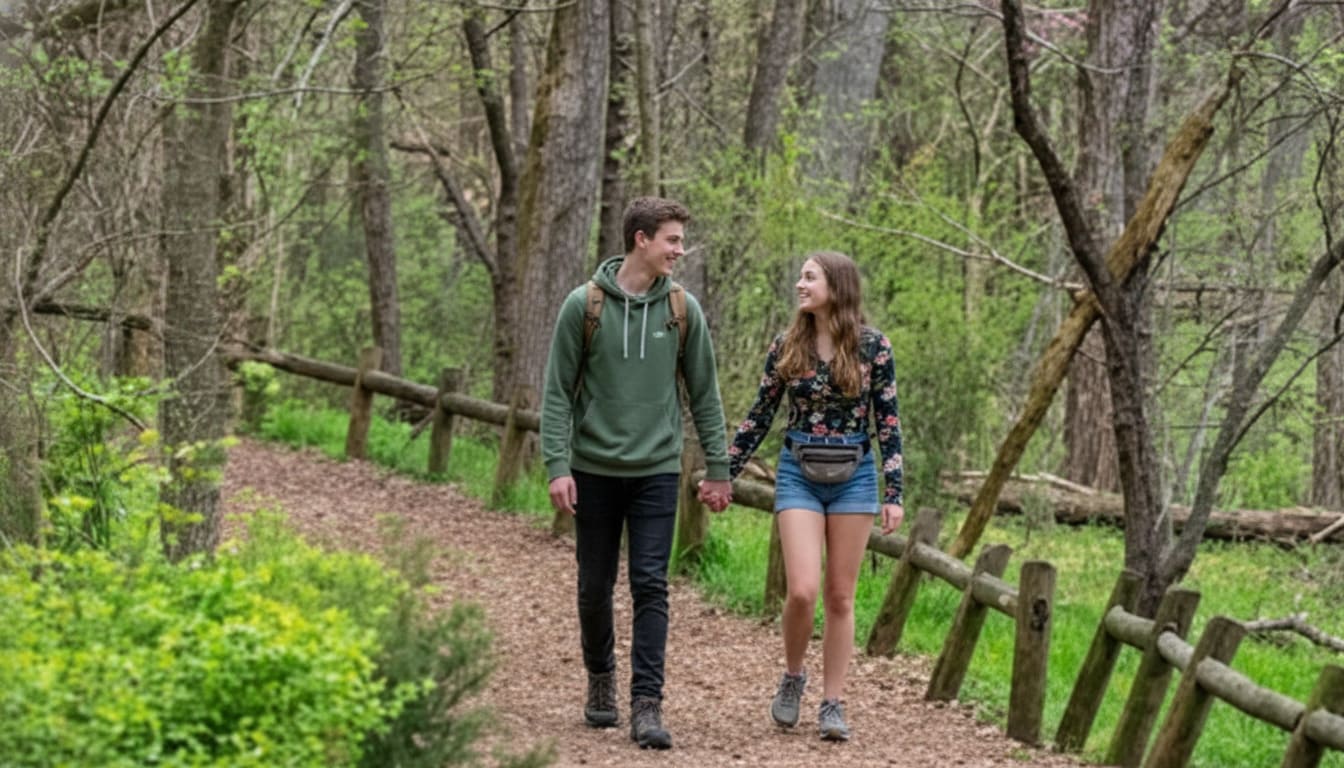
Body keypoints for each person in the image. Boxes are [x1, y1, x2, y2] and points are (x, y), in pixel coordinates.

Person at [540, 196, 734, 750]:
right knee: (594, 585)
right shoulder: (583, 306)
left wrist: (718, 467)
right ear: (641, 239)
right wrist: (557, 465)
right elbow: (557, 393)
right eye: (672, 239)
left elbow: (705, 394)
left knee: (651, 584)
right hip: (593, 468)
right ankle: (600, 677)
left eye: (681, 240)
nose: (680, 250)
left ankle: (647, 704)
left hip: (657, 470)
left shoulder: (682, 310)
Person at [726, 250, 904, 742]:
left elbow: (888, 422)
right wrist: (725, 472)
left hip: (856, 475)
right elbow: (760, 414)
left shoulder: (874, 347)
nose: (800, 284)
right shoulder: (787, 345)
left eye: (810, 277)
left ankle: (833, 702)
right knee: (803, 590)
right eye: (801, 276)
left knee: (840, 596)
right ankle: (793, 676)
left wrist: (894, 491)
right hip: (798, 470)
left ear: (836, 286)